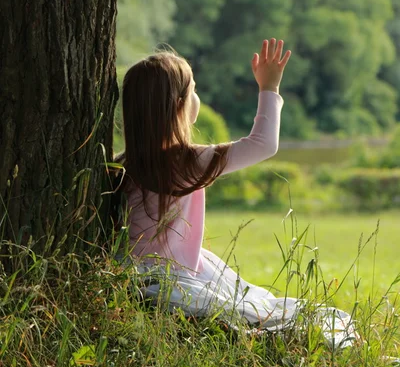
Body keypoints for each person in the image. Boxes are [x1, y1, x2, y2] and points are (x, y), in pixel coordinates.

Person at [115, 39, 355, 347]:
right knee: (260, 311)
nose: (196, 97)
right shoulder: (188, 162)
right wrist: (269, 88)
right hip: (175, 280)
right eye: (193, 90)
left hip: (133, 277)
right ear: (178, 105)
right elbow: (263, 144)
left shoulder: (122, 165)